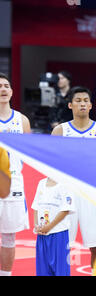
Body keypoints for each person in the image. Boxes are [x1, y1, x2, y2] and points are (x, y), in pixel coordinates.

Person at [51, 86, 96, 271]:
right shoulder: (60, 131)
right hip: (66, 192)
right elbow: (52, 168)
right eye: (78, 100)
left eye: (86, 100)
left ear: (91, 105)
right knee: (62, 244)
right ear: (70, 105)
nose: (82, 104)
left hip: (91, 193)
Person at [0, 73, 31, 277]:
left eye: (6, 85)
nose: (3, 89)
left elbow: (29, 153)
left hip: (12, 182)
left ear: (11, 91)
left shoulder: (22, 120)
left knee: (8, 236)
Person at [32, 177, 75, 276]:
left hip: (59, 235)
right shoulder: (41, 183)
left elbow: (65, 210)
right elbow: (36, 207)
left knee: (61, 271)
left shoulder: (66, 183)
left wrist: (49, 227)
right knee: (42, 271)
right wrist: (36, 225)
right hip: (42, 235)